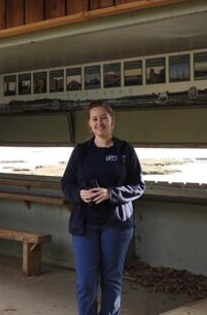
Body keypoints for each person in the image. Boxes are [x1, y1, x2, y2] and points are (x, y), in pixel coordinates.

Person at [61, 100, 145, 315]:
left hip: (116, 224)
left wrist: (112, 193)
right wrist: (79, 194)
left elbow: (138, 186)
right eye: (95, 119)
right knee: (86, 282)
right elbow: (66, 184)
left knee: (111, 279)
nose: (99, 123)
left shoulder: (125, 150)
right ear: (89, 124)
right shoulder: (80, 152)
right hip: (84, 224)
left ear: (112, 121)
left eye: (104, 118)